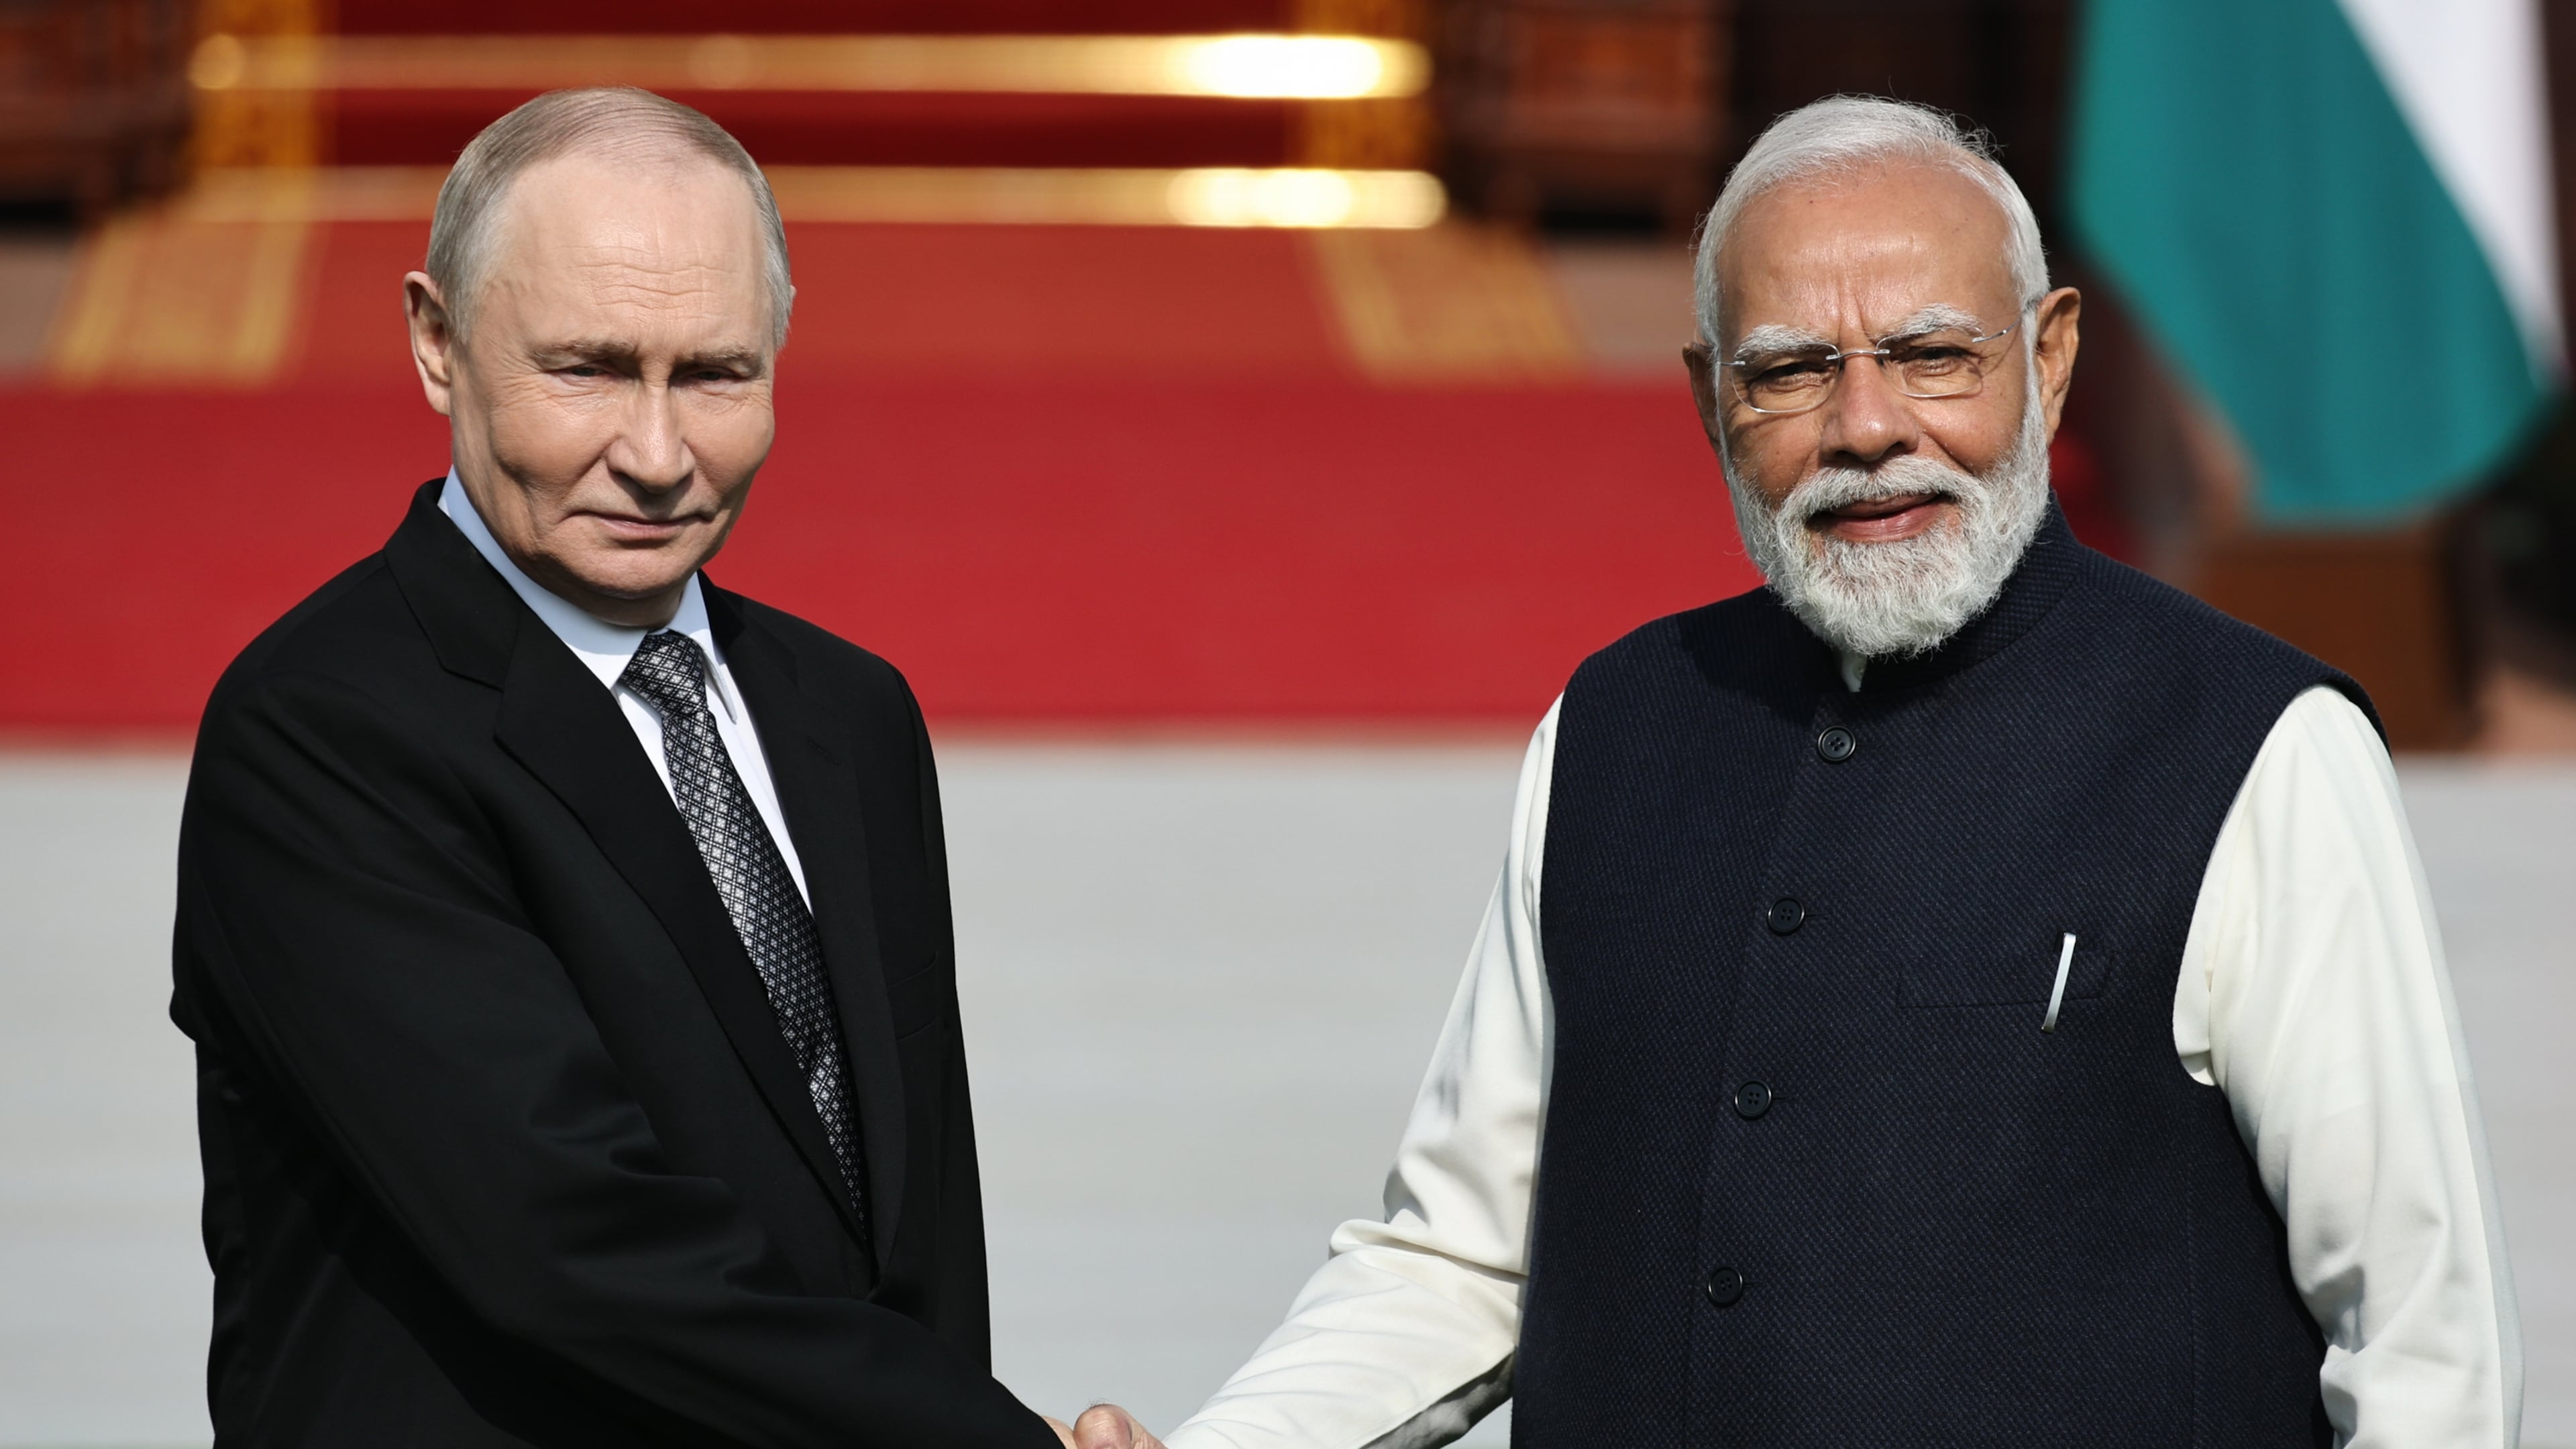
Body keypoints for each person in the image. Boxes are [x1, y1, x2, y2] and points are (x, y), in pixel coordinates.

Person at [1069, 97, 2520, 1449]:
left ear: (2052, 355)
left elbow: (2420, 1332)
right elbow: (1465, 1253)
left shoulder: (2253, 747)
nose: (1868, 429)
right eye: (1791, 372)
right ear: (1710, 399)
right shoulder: (1617, 726)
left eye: (1935, 354)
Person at [170, 88, 1069, 1445]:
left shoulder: (849, 712)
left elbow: (910, 1226)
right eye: (587, 368)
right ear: (435, 343)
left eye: (713, 375)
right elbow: (565, 1237)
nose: (656, 458)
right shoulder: (321, 732)